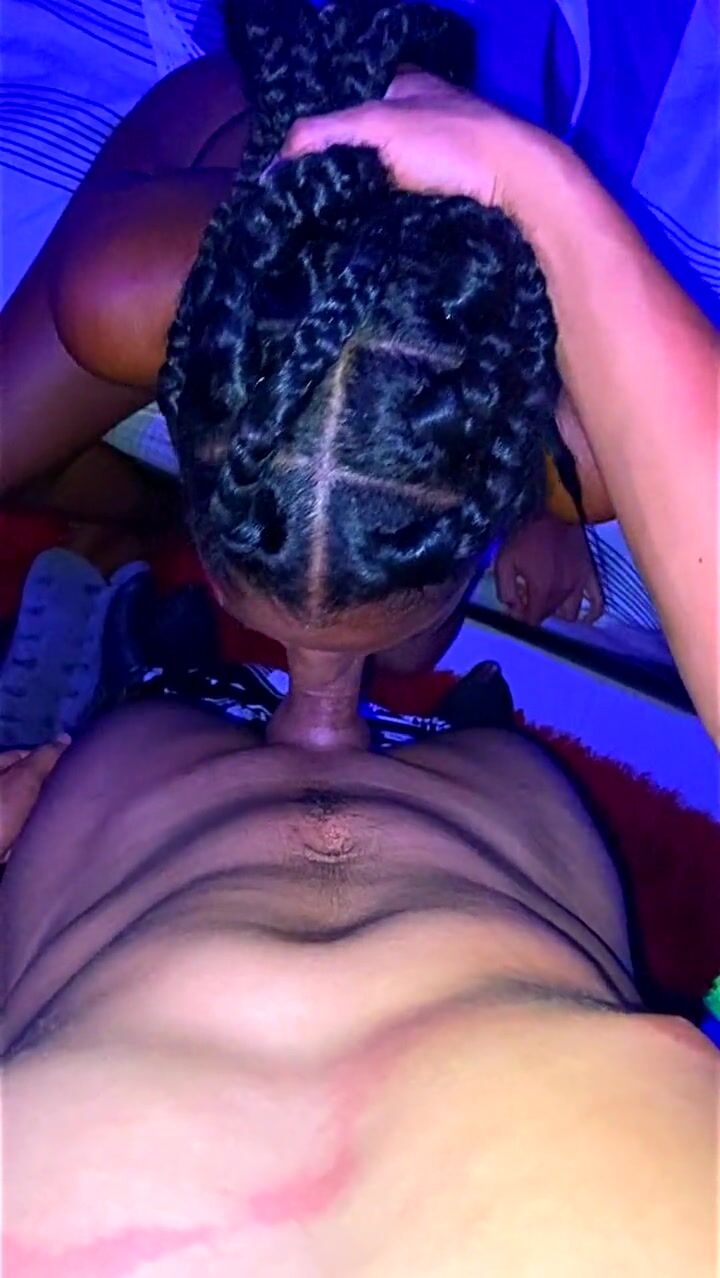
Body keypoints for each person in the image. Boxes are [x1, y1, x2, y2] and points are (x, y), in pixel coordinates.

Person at [3, 39, 718, 1278]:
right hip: (461, 788)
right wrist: (544, 192)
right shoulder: (132, 279)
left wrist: (547, 491)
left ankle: (153, 652)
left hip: (153, 761)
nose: (318, 715)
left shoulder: (574, 442)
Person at [0, 1, 603, 673]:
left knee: (407, 650)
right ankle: (160, 532)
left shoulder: (591, 452)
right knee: (401, 642)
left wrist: (543, 511)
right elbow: (184, 107)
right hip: (291, 117)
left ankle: (164, 537)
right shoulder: (120, 284)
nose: (312, 703)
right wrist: (546, 505)